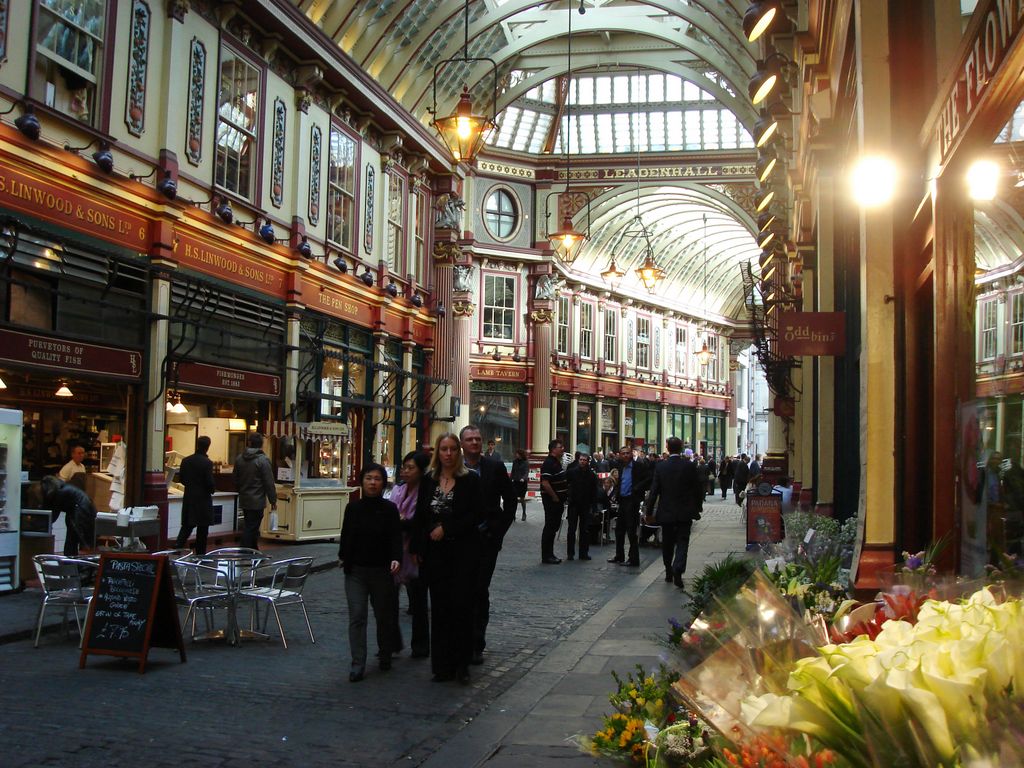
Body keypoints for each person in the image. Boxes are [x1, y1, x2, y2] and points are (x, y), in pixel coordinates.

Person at [412, 433, 482, 684]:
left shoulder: (469, 480)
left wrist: (447, 528)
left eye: (453, 449)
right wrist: (422, 543)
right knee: (440, 610)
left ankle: (461, 665)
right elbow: (421, 514)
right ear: (437, 453)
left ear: (459, 452)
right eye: (444, 449)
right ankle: (441, 666)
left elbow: (474, 515)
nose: (449, 454)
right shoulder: (429, 481)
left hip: (462, 554)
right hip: (435, 556)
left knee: (461, 610)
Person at [338, 463, 402, 682]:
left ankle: (385, 653)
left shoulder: (390, 509)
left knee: (383, 615)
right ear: (362, 481)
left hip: (381, 571)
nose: (372, 482)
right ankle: (358, 663)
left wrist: (396, 558)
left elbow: (396, 537)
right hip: (356, 571)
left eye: (376, 478)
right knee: (357, 616)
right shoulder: (353, 508)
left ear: (383, 483)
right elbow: (346, 535)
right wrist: (343, 557)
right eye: (368, 478)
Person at [460, 425, 516, 666]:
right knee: (462, 591)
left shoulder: (494, 467)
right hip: (460, 540)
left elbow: (511, 499)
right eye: (470, 439)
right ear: (462, 444)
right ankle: (460, 641)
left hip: (486, 540)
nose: (475, 442)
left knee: (479, 590)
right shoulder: (453, 469)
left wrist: (499, 531)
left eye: (478, 439)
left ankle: (476, 644)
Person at [387, 451, 431, 659]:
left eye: (410, 468)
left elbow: (421, 523)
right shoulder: (398, 491)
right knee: (389, 601)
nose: (405, 471)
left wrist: (401, 522)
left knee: (418, 603)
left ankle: (420, 645)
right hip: (395, 552)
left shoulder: (427, 493)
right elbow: (390, 516)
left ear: (421, 471)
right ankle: (391, 642)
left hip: (415, 554)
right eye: (404, 467)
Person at [644, 437, 702, 588]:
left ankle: (669, 570)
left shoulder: (661, 467)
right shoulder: (689, 466)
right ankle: (678, 568)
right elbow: (698, 489)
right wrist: (697, 507)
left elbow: (654, 491)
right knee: (683, 542)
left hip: (666, 512)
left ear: (667, 448)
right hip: (685, 512)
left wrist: (648, 512)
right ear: (682, 447)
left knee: (667, 543)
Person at [609, 445, 652, 567]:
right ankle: (619, 556)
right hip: (622, 501)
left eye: (627, 453)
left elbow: (649, 478)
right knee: (619, 530)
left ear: (631, 454)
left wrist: (638, 488)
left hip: (632, 501)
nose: (625, 455)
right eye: (623, 453)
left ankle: (633, 559)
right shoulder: (621, 466)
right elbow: (621, 481)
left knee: (631, 531)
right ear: (620, 455)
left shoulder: (639, 466)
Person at [233, 432, 277, 548]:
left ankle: (253, 551)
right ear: (261, 445)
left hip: (244, 498)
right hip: (257, 499)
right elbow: (269, 482)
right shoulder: (263, 460)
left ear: (249, 443)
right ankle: (245, 551)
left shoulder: (239, 459)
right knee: (252, 527)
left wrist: (241, 491)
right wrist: (273, 500)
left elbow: (235, 479)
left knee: (249, 524)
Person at [174, 436, 215, 556]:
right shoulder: (207, 463)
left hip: (189, 497)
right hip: (203, 499)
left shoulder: (186, 461)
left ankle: (177, 547)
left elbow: (181, 479)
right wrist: (211, 489)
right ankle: (200, 553)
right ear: (208, 446)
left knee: (187, 526)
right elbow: (209, 482)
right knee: (202, 529)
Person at [41, 475, 97, 556]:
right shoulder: (62, 488)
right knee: (73, 538)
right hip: (81, 508)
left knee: (75, 538)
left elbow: (54, 513)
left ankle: (73, 562)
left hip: (81, 510)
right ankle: (72, 561)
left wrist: (43, 524)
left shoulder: (60, 492)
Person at [539, 439, 569, 564]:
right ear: (553, 449)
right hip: (552, 502)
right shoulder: (548, 463)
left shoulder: (556, 462)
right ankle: (547, 555)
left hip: (557, 502)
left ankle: (549, 554)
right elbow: (545, 483)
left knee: (553, 527)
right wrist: (555, 497)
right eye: (560, 447)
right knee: (550, 528)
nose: (563, 449)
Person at [565, 451, 599, 561]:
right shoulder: (572, 472)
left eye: (584, 460)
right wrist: (567, 498)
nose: (582, 462)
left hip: (585, 505)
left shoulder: (592, 475)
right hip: (574, 504)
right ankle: (570, 553)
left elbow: (594, 491)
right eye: (581, 460)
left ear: (588, 462)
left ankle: (583, 553)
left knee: (584, 530)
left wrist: (594, 506)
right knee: (571, 529)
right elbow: (566, 485)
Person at [511, 449, 529, 521]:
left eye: (517, 454)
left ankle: (524, 513)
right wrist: (510, 479)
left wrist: (523, 478)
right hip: (515, 482)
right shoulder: (515, 461)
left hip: (522, 483)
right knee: (514, 499)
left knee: (522, 498)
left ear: (521, 454)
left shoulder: (525, 462)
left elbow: (526, 472)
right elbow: (513, 471)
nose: (516, 455)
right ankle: (513, 514)